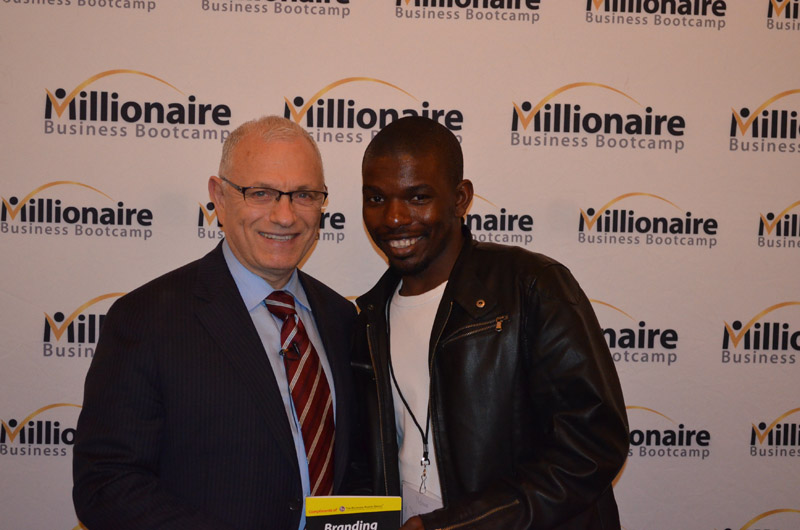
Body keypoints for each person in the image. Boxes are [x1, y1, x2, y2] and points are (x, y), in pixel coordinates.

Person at [73, 116, 357, 530]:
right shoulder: (147, 320)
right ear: (219, 197)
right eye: (261, 193)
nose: (285, 216)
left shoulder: (342, 319)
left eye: (304, 195)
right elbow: (105, 484)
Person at [353, 116, 629, 529]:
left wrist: (461, 524)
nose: (393, 218)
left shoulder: (532, 286)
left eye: (418, 197)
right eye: (376, 198)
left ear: (460, 198)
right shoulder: (368, 318)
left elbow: (593, 446)